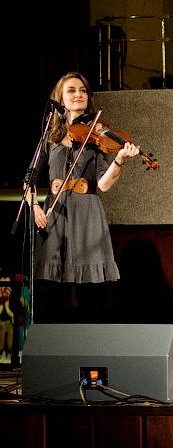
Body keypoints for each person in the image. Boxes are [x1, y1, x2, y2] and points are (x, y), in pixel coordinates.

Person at [28, 71, 140, 322]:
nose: (79, 94)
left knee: (90, 291)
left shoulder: (96, 136)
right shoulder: (51, 134)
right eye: (72, 90)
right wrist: (35, 206)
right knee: (53, 288)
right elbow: (31, 178)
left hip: (87, 211)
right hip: (55, 213)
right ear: (60, 98)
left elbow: (103, 183)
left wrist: (119, 160)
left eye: (82, 91)